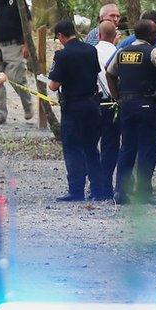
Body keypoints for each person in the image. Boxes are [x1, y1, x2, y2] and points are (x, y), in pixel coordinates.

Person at [106, 19, 156, 205]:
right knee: (148, 149)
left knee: (127, 148)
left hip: (127, 106)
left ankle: (120, 192)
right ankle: (144, 193)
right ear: (148, 35)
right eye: (155, 32)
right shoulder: (154, 52)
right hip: (148, 105)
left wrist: (116, 97)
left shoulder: (122, 52)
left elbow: (109, 73)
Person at [48, 20, 105, 201]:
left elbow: (53, 85)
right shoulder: (91, 50)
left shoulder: (62, 55)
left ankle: (76, 190)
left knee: (73, 148)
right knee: (91, 148)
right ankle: (97, 189)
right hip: (91, 105)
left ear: (60, 36)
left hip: (73, 107)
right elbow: (95, 73)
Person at [94, 20, 120, 199]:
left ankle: (95, 184)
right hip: (113, 103)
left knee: (91, 144)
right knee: (111, 145)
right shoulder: (118, 52)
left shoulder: (91, 52)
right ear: (115, 37)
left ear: (99, 35)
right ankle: (107, 183)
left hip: (94, 103)